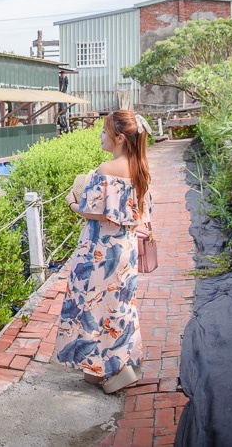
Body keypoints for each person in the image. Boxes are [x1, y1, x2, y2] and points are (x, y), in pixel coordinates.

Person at [55, 110, 154, 394]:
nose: (100, 136)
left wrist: (72, 203)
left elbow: (91, 211)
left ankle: (106, 369)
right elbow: (140, 211)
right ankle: (114, 365)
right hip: (125, 249)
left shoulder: (106, 170)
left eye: (104, 131)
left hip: (99, 250)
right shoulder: (141, 167)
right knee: (119, 306)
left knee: (92, 306)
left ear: (119, 138)